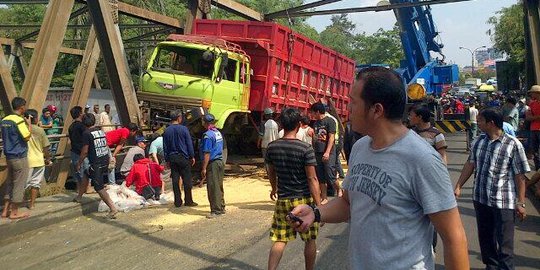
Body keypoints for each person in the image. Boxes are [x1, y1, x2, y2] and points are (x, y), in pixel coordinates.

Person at [290, 67, 469, 270]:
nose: (348, 108)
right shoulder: (360, 148)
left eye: (353, 102)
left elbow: (454, 237)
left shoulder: (422, 159)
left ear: (376, 110)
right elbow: (349, 203)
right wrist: (315, 213)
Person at [454, 108, 529, 270]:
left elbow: (520, 176)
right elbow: (470, 164)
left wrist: (521, 202)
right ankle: (491, 266)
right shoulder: (479, 142)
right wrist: (458, 185)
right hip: (481, 198)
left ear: (491, 123)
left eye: (480, 120)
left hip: (504, 202)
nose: (478, 123)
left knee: (505, 243)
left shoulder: (513, 144)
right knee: (486, 239)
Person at [265, 108, 321, 270]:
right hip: (303, 201)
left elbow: (271, 172)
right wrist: (318, 205)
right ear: (298, 125)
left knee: (280, 239)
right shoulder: (305, 149)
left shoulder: (272, 147)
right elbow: (312, 178)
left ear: (281, 124)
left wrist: (274, 188)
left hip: (283, 200)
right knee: (310, 239)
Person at [76, 113, 118, 219]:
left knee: (98, 187)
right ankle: (79, 197)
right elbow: (105, 145)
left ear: (83, 122)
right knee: (86, 174)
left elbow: (85, 151)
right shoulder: (100, 131)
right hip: (104, 159)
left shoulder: (86, 133)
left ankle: (113, 208)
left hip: (96, 163)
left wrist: (79, 162)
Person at [1, 97, 32, 220]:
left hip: (9, 156)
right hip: (19, 156)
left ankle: (5, 211)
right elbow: (27, 136)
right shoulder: (18, 121)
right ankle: (14, 212)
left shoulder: (5, 120)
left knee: (10, 182)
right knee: (19, 184)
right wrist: (29, 125)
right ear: (22, 107)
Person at [163, 109, 197, 207]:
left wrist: (167, 160)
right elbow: (189, 144)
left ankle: (177, 201)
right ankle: (188, 200)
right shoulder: (184, 129)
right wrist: (192, 156)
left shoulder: (167, 130)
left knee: (175, 180)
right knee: (187, 179)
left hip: (172, 157)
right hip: (183, 157)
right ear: (179, 118)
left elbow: (165, 147)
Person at [310, 102, 341, 203]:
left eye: (313, 113)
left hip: (329, 152)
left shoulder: (330, 121)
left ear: (318, 112)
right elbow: (315, 138)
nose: (312, 115)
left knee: (330, 174)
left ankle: (339, 189)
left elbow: (331, 137)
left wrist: (327, 152)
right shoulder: (315, 123)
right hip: (318, 152)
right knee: (320, 176)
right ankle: (324, 197)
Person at [197, 114, 225, 218]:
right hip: (220, 162)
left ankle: (216, 211)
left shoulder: (207, 135)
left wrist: (204, 168)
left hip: (212, 163)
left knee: (213, 187)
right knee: (219, 185)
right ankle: (221, 207)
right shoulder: (217, 132)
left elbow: (207, 153)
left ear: (205, 123)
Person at [24, 109, 51, 209]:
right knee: (35, 184)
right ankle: (32, 204)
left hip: (26, 161)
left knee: (22, 185)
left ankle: (17, 205)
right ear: (35, 118)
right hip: (39, 160)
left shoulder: (22, 129)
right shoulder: (40, 130)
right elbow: (46, 147)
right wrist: (48, 158)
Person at [68, 106, 91, 202]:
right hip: (82, 152)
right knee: (85, 173)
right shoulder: (82, 126)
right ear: (80, 114)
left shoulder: (71, 126)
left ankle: (79, 190)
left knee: (77, 173)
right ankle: (86, 189)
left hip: (74, 152)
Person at [259, 108, 279, 175]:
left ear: (265, 115)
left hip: (265, 145)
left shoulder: (263, 123)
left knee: (266, 160)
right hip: (274, 145)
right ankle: (273, 173)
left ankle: (268, 173)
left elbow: (261, 135)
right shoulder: (276, 124)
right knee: (273, 160)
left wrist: (258, 143)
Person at [526, 85, 540, 170]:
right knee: (535, 151)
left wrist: (534, 117)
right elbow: (528, 117)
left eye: (532, 92)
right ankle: (538, 168)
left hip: (535, 129)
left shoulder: (531, 104)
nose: (530, 94)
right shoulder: (532, 104)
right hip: (533, 129)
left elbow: (530, 117)